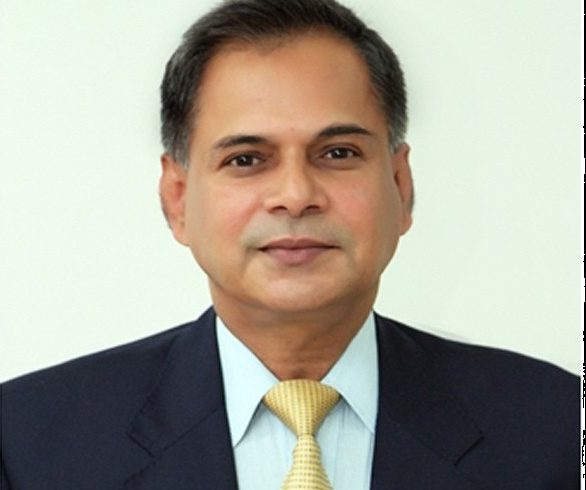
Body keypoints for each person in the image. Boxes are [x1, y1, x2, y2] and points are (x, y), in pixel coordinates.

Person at [0, 0, 578, 488]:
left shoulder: (554, 428)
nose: (296, 196)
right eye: (246, 159)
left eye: (338, 153)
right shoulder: (28, 442)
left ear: (401, 187)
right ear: (177, 200)